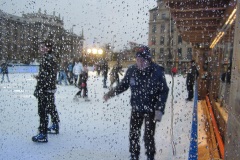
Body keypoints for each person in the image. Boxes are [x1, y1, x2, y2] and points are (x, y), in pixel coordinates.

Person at [103, 45, 169, 160]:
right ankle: (134, 155)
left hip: (151, 109)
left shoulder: (157, 71)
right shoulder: (132, 70)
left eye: (142, 60)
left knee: (148, 136)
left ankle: (150, 156)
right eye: (137, 60)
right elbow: (123, 85)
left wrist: (159, 108)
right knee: (133, 134)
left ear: (148, 59)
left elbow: (164, 91)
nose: (140, 63)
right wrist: (110, 93)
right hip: (136, 107)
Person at [32, 40, 60, 143]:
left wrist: (40, 84)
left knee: (42, 111)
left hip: (45, 89)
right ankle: (55, 125)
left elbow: (48, 75)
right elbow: (51, 74)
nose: (40, 49)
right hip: (50, 88)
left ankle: (43, 133)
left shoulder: (46, 58)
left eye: (42, 47)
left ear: (48, 48)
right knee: (51, 107)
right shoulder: (52, 57)